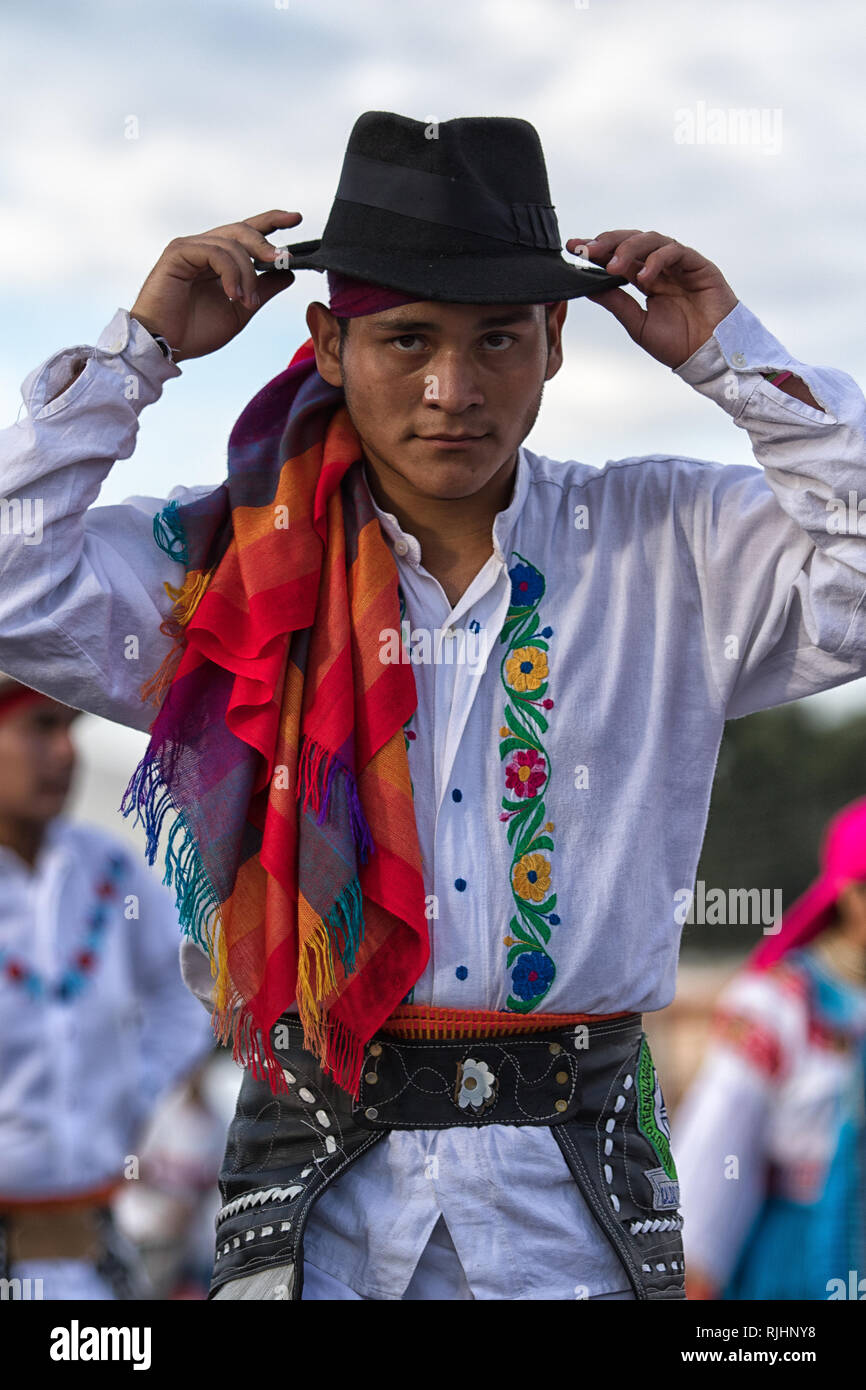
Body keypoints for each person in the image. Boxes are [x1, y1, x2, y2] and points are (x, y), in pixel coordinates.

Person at [0, 108, 864, 1302]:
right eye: (405, 339)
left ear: (557, 340)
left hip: (585, 1221)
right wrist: (139, 348)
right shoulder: (228, 565)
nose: (453, 388)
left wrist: (732, 358)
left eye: (497, 339)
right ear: (326, 342)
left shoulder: (673, 543)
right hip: (314, 1218)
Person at [0, 674, 214, 1299]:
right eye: (39, 728)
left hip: (95, 1255)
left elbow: (188, 985)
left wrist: (136, 1086)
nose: (66, 753)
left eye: (70, 729)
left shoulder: (108, 868)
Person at [673, 796, 866, 1301]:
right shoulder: (778, 1003)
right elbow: (720, 1146)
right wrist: (694, 1272)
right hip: (799, 1260)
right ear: (846, 893)